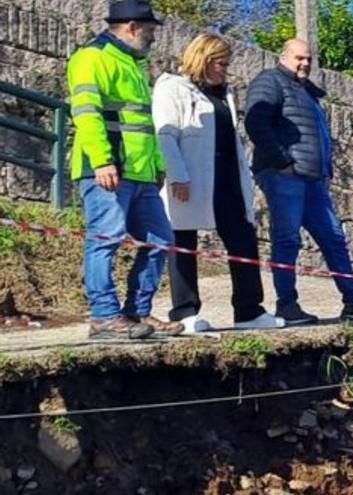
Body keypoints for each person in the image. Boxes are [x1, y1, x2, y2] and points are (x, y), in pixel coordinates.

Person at [244, 39, 353, 325]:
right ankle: (287, 305)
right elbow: (255, 122)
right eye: (299, 58)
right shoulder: (270, 80)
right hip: (285, 175)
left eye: (308, 59)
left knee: (334, 239)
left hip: (311, 179)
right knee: (287, 239)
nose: (305, 63)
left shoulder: (307, 92)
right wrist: (282, 162)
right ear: (283, 56)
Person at [152, 33, 284, 331]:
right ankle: (184, 313)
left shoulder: (223, 93)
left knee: (243, 238)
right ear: (204, 60)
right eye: (221, 63)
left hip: (226, 179)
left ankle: (249, 311)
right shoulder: (173, 87)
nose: (226, 69)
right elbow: (166, 134)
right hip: (189, 177)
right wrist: (177, 175)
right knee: (183, 241)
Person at [67, 0, 182, 339]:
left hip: (140, 172)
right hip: (108, 169)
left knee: (161, 239)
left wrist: (157, 165)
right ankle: (104, 317)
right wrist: (102, 160)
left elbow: (142, 124)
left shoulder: (132, 63)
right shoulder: (92, 58)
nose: (153, 38)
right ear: (132, 26)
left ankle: (137, 313)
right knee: (106, 239)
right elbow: (86, 113)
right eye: (149, 30)